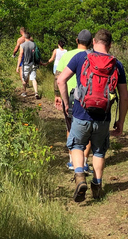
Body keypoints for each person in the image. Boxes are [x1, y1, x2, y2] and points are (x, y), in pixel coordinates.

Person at [58, 29, 128, 202]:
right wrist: (120, 121)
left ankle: (80, 177)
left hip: (81, 113)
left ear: (94, 42)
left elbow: (61, 80)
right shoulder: (116, 64)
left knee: (76, 145)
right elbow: (124, 96)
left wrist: (67, 104)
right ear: (110, 45)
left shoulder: (81, 57)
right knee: (99, 150)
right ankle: (97, 184)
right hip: (103, 117)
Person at [53, 31, 93, 172]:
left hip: (69, 97)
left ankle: (72, 161)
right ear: (91, 42)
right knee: (87, 131)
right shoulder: (92, 56)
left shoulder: (67, 55)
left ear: (77, 40)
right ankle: (85, 161)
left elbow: (58, 77)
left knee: (70, 128)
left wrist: (57, 95)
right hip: (88, 97)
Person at [18, 32, 40, 99]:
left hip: (26, 64)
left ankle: (24, 92)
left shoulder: (22, 45)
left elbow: (20, 55)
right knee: (33, 79)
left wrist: (18, 65)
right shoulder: (34, 44)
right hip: (33, 64)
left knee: (24, 79)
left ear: (24, 37)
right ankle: (36, 92)